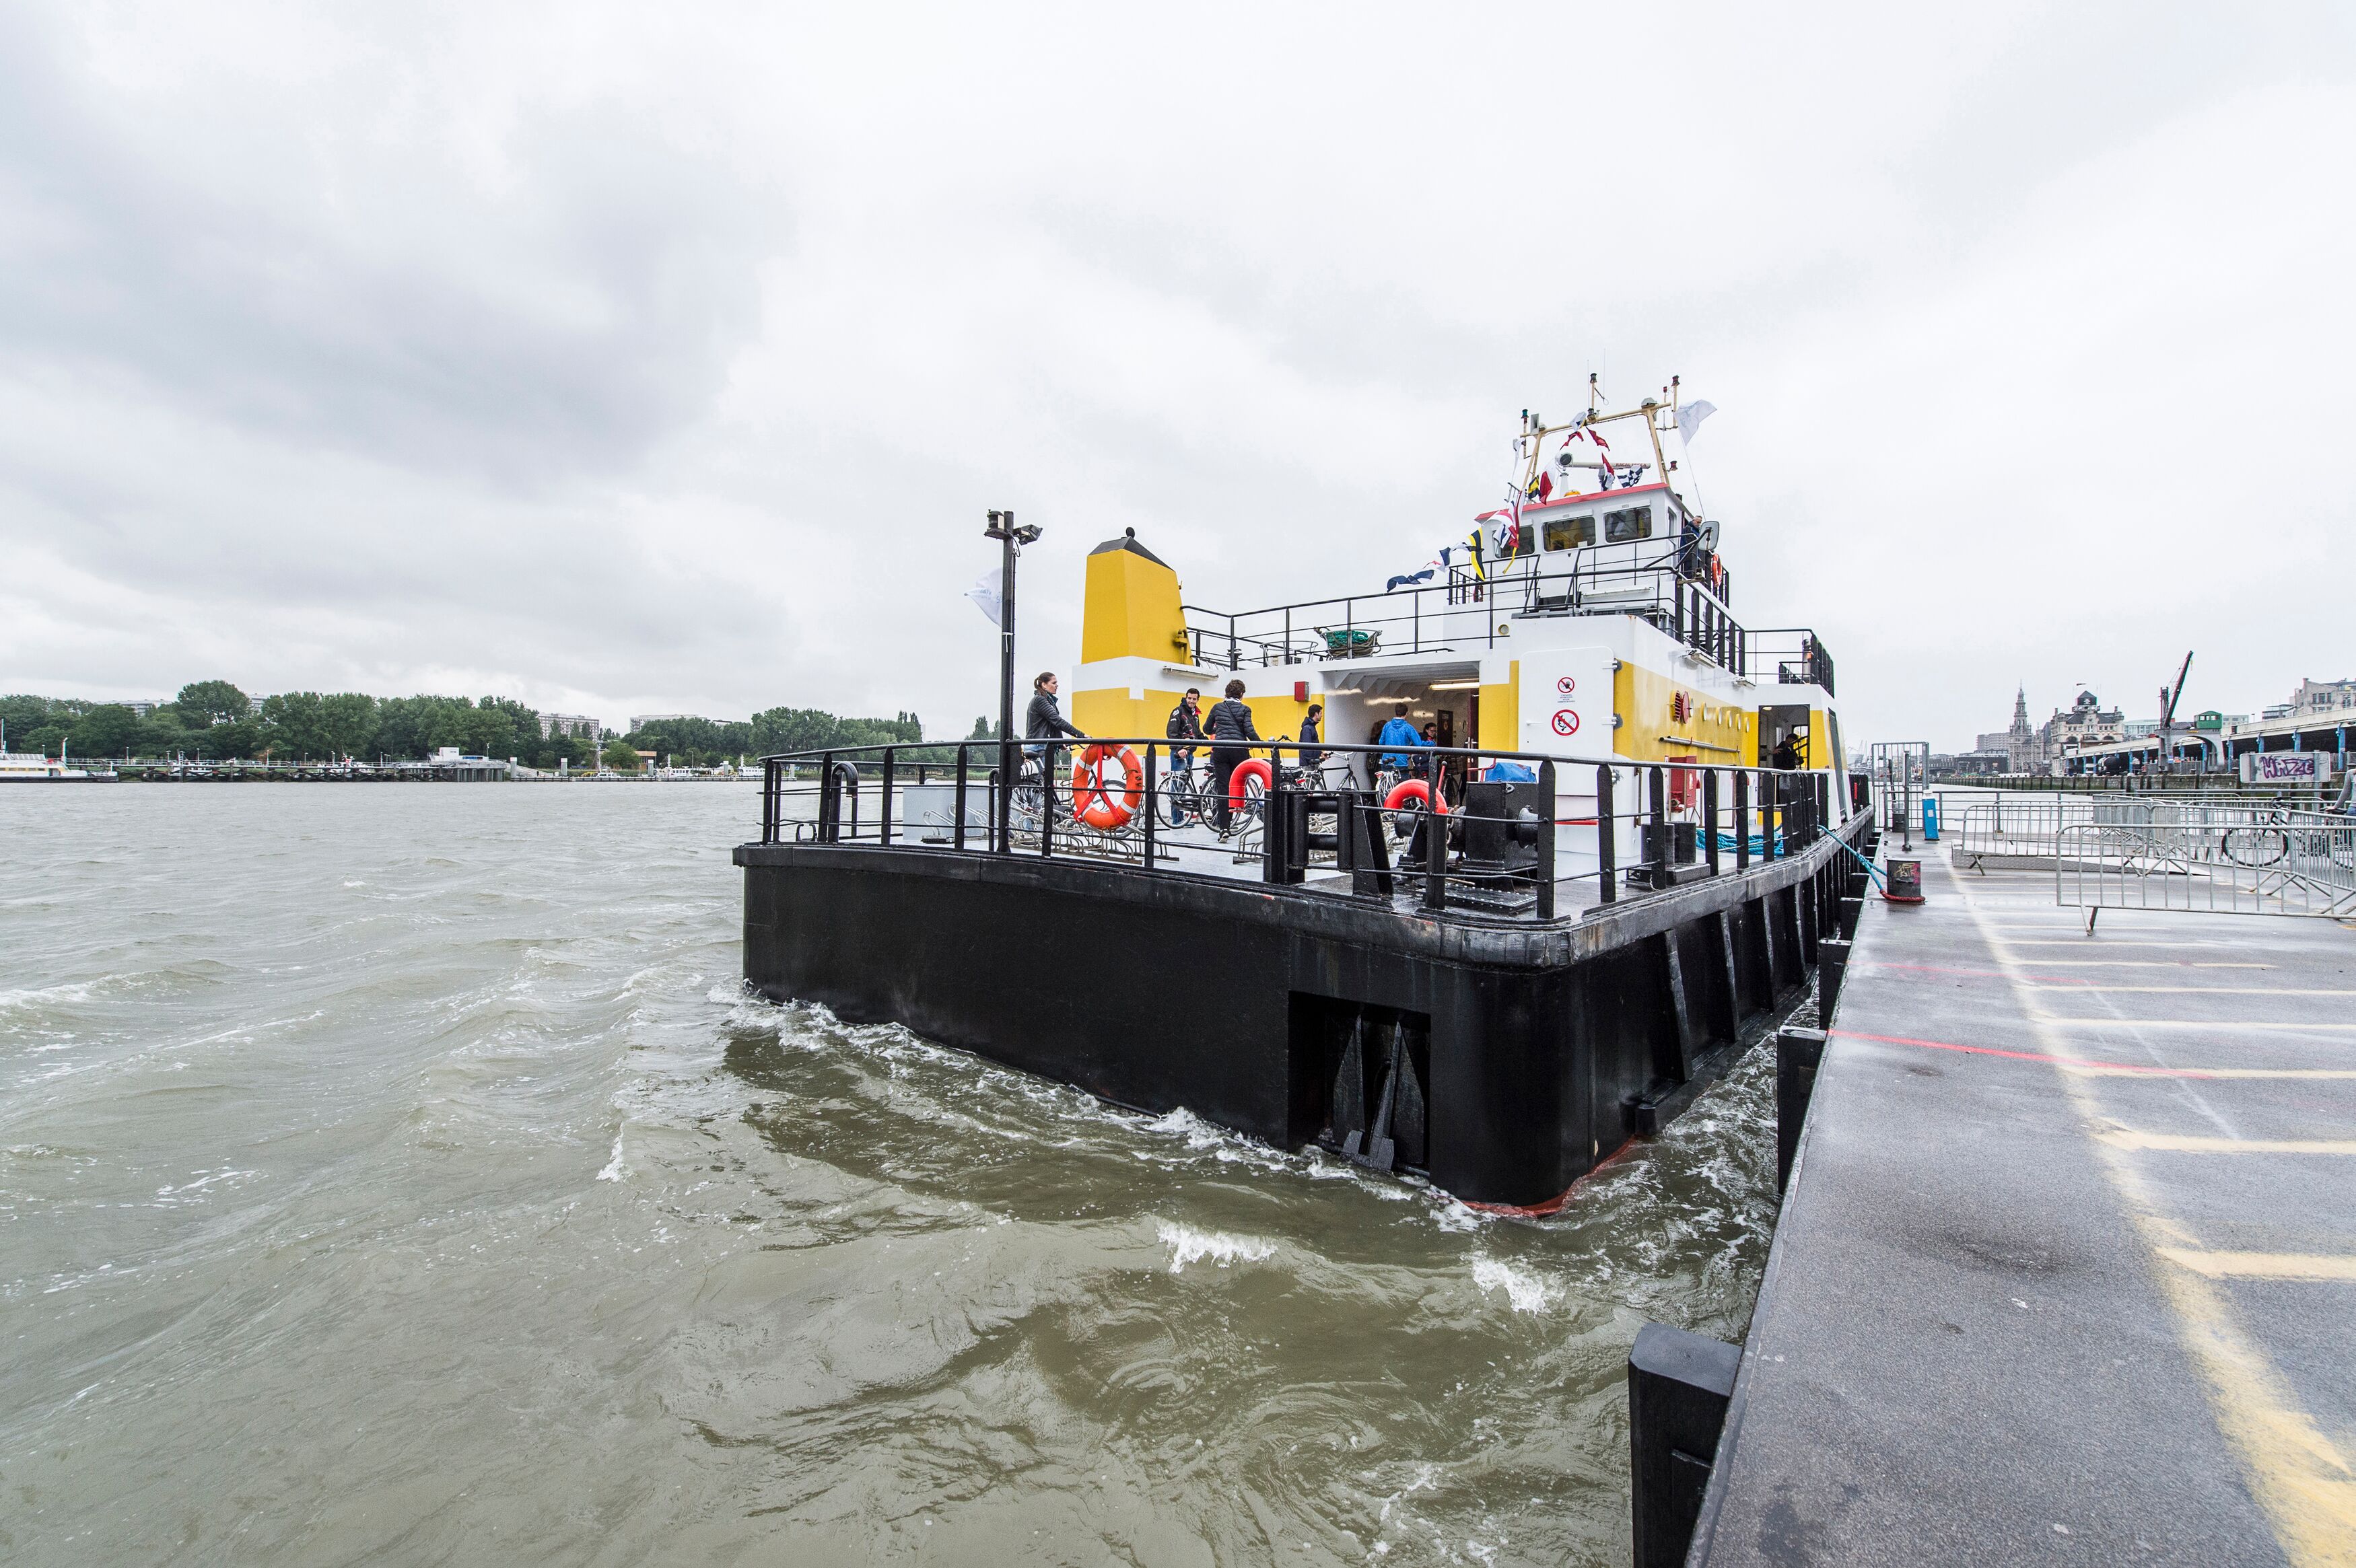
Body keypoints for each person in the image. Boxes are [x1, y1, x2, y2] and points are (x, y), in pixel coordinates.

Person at [1025, 672, 1087, 812]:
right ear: (1044, 685)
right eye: (1054, 683)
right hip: (1037, 747)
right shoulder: (1040, 700)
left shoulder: (1047, 700)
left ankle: (1044, 817)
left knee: (1043, 784)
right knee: (1041, 785)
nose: (1057, 685)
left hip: (1042, 745)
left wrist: (1060, 743)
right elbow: (1057, 720)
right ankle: (1028, 825)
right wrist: (1080, 735)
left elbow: (1052, 724)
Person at [1205, 678, 1262, 829]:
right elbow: (1249, 730)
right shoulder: (1245, 709)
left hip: (1220, 750)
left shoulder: (1217, 707)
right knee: (1236, 785)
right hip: (1238, 750)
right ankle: (1235, 817)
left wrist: (1220, 731)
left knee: (1223, 788)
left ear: (1226, 693)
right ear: (1241, 694)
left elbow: (1206, 728)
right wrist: (1261, 743)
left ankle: (1223, 828)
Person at [1377, 705, 1428, 776]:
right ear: (1407, 713)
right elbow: (1418, 744)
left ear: (1396, 713)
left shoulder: (1387, 726)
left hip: (1386, 760)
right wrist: (1430, 743)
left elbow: (1381, 742)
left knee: (1387, 783)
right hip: (1401, 762)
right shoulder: (1408, 728)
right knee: (1403, 784)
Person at [1167, 688, 1205, 778]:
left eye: (1194, 699)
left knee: (1185, 784)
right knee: (1177, 783)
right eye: (1189, 698)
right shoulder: (1178, 711)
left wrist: (1211, 743)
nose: (1191, 701)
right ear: (1186, 698)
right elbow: (1171, 732)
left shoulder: (1195, 715)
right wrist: (1179, 749)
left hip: (1190, 752)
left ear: (1198, 700)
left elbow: (1197, 733)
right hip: (1178, 752)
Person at [1296, 702, 1324, 778]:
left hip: (1310, 764)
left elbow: (1312, 746)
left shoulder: (1310, 727)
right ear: (1316, 714)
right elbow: (1307, 748)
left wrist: (1320, 753)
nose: (1322, 715)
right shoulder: (1308, 729)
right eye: (1321, 713)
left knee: (1311, 787)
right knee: (1309, 788)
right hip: (1308, 765)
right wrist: (1313, 760)